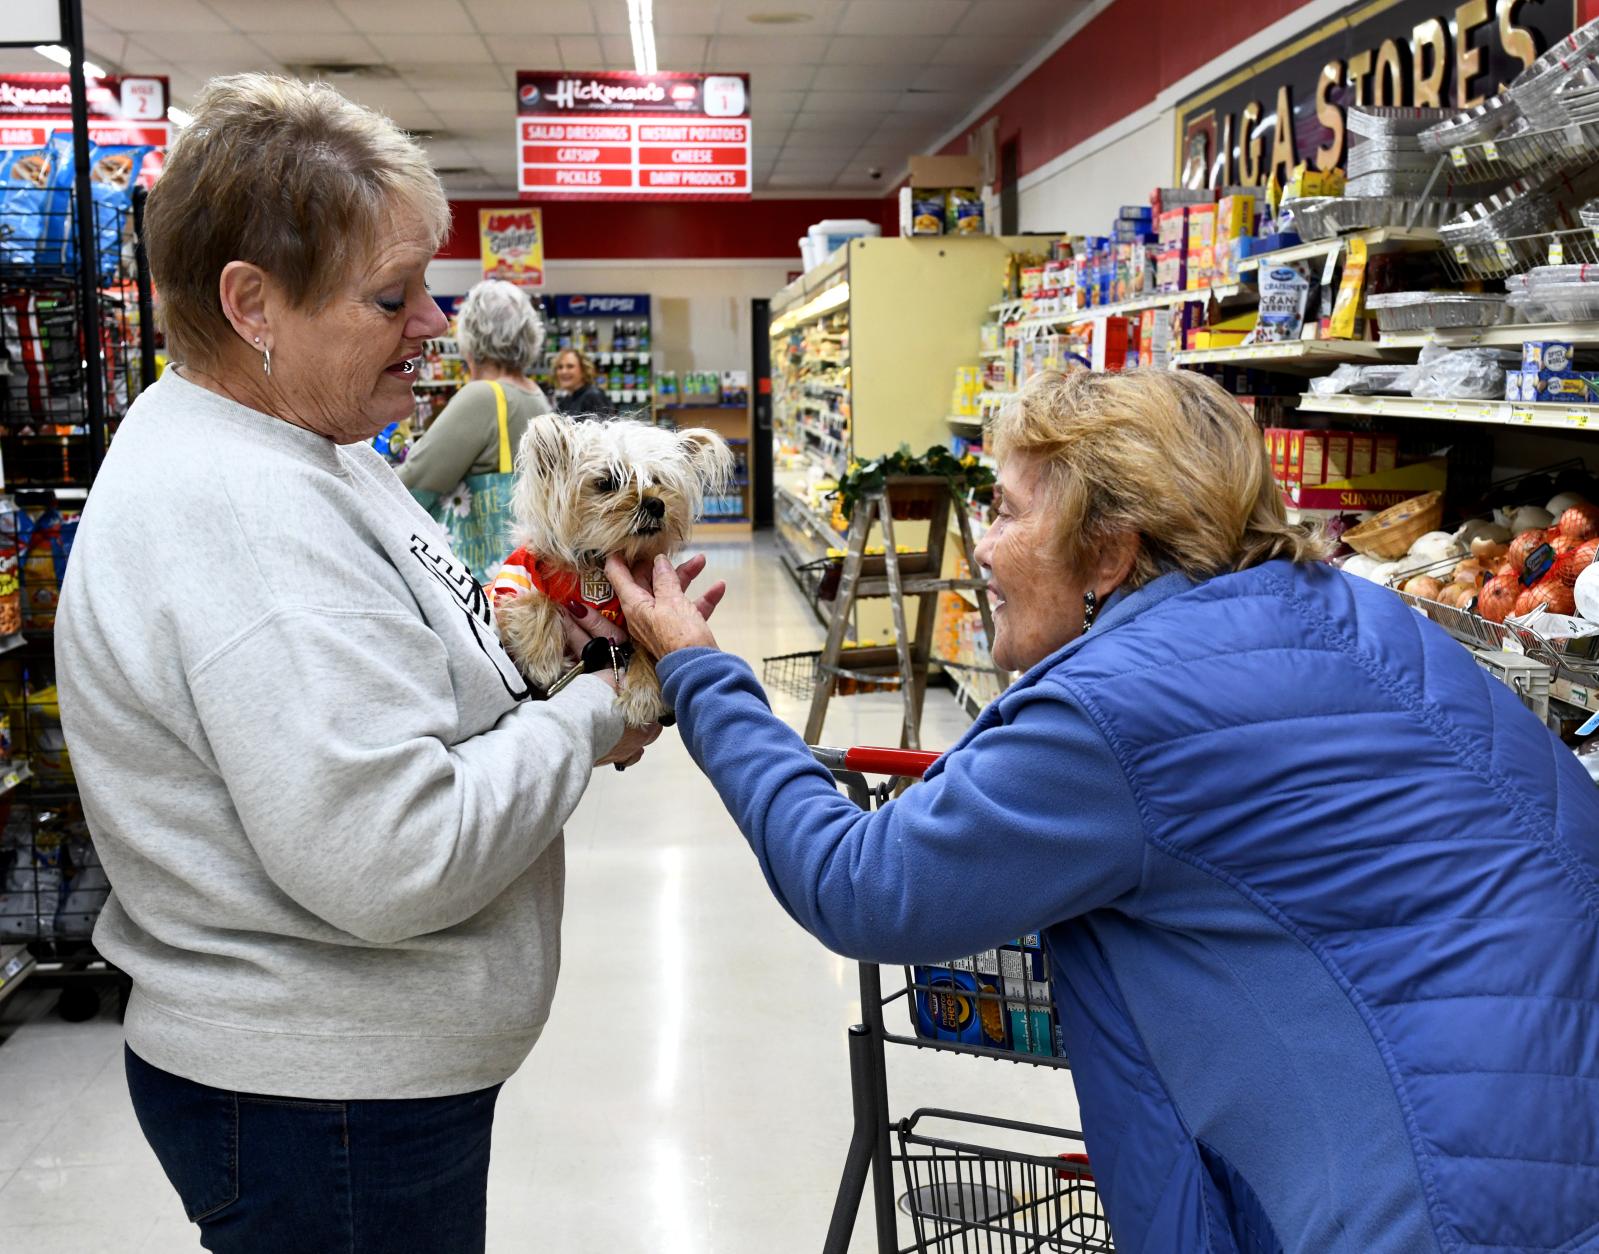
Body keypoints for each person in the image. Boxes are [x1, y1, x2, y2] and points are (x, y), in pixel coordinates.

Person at [609, 368, 1599, 1254]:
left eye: (1001, 511)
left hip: (1437, 1202)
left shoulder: (1116, 708)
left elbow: (861, 886)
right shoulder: (1359, 611)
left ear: (1110, 551)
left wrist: (700, 672)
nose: (982, 547)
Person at [52, 74, 680, 1254]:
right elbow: (396, 853)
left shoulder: (308, 442)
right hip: (324, 1107)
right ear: (253, 304)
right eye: (391, 296)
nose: (436, 325)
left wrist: (554, 668)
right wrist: (593, 713)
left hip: (352, 1085)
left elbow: (410, 685)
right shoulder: (246, 515)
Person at [397, 279, 551, 584]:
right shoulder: (534, 394)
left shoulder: (483, 396)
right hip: (520, 574)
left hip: (481, 576)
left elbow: (415, 482)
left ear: (470, 335)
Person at [551, 345, 614, 418]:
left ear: (584, 370)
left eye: (570, 366)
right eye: (560, 367)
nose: (564, 371)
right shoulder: (566, 400)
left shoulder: (593, 397)